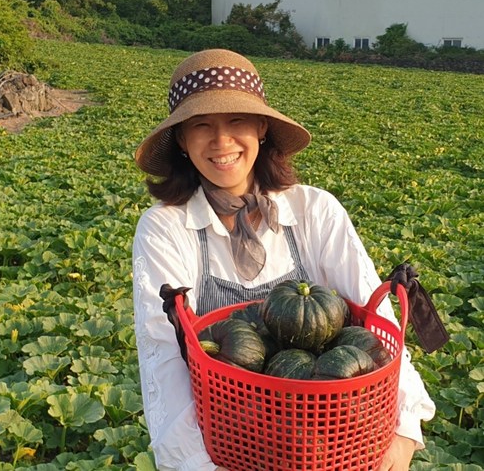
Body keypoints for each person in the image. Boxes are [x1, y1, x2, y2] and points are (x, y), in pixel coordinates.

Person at [132, 48, 435, 471]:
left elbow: (374, 322)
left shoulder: (315, 210)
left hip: (333, 437)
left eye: (236, 120)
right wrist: (200, 464)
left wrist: (402, 430)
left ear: (261, 128)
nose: (221, 141)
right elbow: (163, 356)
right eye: (201, 125)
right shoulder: (165, 228)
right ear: (182, 140)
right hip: (228, 441)